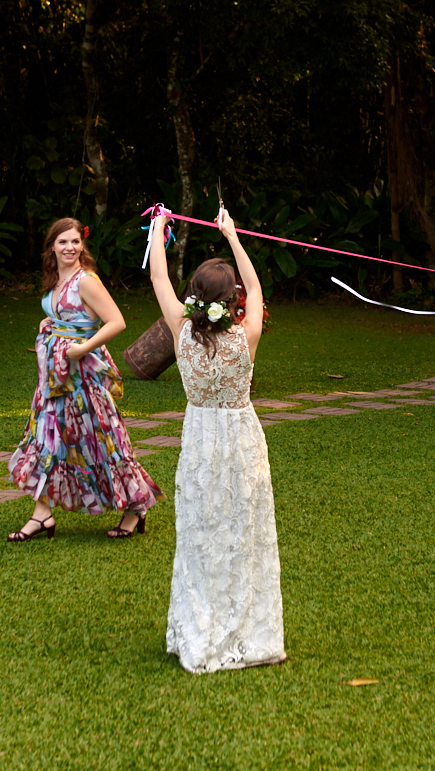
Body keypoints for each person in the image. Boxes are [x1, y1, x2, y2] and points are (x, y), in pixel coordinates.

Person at [148, 205, 286, 673]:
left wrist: (158, 231)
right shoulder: (247, 334)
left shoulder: (179, 331)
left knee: (201, 535)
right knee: (241, 534)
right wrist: (231, 235)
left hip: (201, 440)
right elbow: (259, 289)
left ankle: (199, 628)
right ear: (234, 301)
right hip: (240, 439)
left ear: (194, 299)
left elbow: (159, 282)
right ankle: (247, 631)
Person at [7, 218, 162, 541]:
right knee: (48, 438)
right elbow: (71, 316)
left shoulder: (85, 280)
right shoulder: (56, 278)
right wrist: (49, 322)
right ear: (51, 246)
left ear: (83, 245)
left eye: (75, 242)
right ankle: (42, 515)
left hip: (83, 375)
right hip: (55, 376)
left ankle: (135, 508)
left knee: (102, 441)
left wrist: (82, 348)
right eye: (63, 242)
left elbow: (116, 321)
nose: (69, 247)